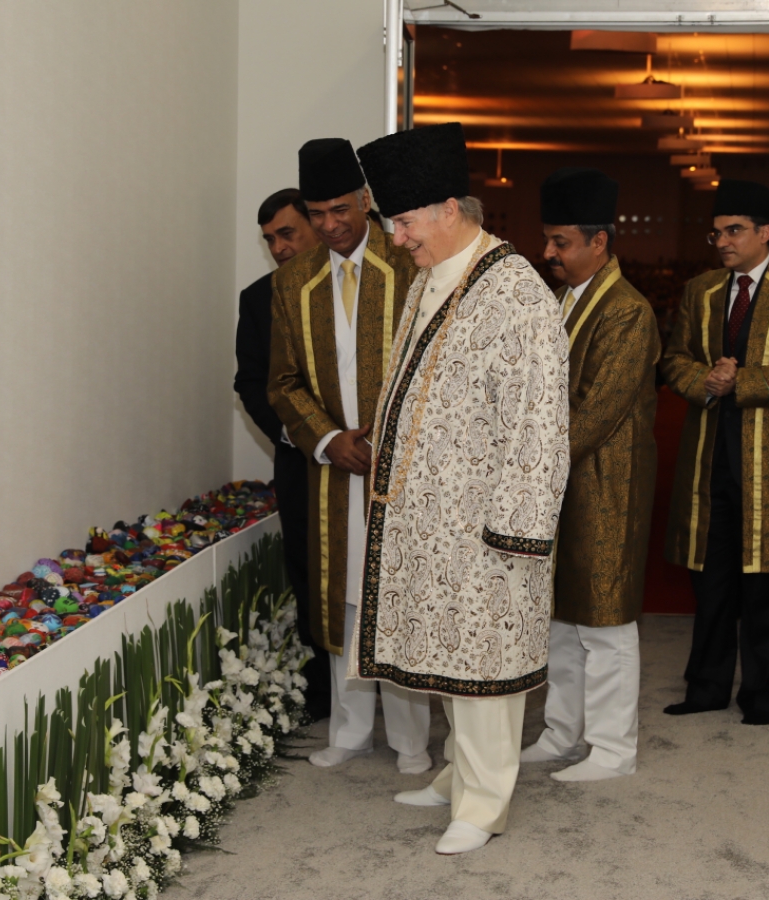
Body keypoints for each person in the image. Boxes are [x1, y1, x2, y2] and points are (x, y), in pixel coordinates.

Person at [353, 122, 569, 854]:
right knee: (448, 658)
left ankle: (484, 802)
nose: (398, 239)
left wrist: (518, 531)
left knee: (482, 666)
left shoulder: (516, 292)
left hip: (483, 527)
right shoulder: (431, 280)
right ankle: (455, 774)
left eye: (405, 223)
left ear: (450, 208)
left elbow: (541, 425)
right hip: (425, 519)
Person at [268, 138, 430, 771]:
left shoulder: (409, 261)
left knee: (399, 594)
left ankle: (412, 739)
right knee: (346, 595)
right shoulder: (293, 280)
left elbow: (434, 366)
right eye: (318, 213)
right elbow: (282, 382)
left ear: (366, 200)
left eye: (341, 208)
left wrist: (389, 436)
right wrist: (332, 441)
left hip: (403, 465)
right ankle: (349, 731)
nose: (331, 224)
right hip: (337, 470)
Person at [660, 179, 769, 726]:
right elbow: (674, 360)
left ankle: (759, 691)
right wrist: (706, 380)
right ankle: (707, 685)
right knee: (710, 582)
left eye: (734, 231)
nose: (722, 242)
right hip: (710, 457)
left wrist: (745, 382)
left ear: (765, 232)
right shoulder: (702, 290)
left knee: (764, 582)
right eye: (716, 233)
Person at [518, 167, 658, 781]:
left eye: (561, 242)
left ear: (599, 242)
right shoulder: (567, 298)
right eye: (547, 241)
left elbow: (596, 410)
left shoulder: (627, 311)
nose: (548, 253)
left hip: (607, 484)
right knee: (562, 619)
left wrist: (525, 465)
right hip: (564, 482)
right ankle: (561, 732)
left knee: (605, 620)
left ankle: (613, 750)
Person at [233, 188, 330, 720]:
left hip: (369, 455)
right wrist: (299, 437)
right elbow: (250, 383)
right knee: (308, 571)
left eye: (287, 233)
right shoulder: (258, 297)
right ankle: (326, 691)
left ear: (316, 225)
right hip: (300, 462)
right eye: (269, 239)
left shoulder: (362, 287)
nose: (277, 247)